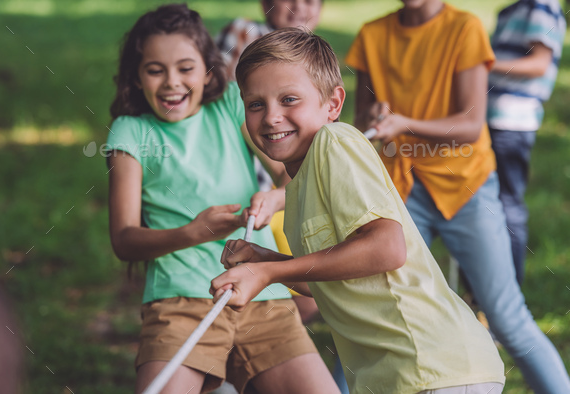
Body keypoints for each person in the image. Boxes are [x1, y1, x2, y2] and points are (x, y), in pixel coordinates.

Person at [211, 27, 506, 394]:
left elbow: (387, 248)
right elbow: (331, 281)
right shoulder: (300, 185)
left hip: (433, 366)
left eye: (289, 99)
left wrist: (270, 270)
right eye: (256, 104)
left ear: (333, 104)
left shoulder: (334, 142)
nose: (271, 117)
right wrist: (264, 261)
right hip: (397, 377)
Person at [106, 5, 337, 393]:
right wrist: (195, 231)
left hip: (260, 292)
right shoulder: (130, 131)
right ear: (137, 75)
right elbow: (124, 240)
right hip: (178, 301)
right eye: (155, 70)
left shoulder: (230, 104)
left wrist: (274, 200)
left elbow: (292, 177)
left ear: (207, 69)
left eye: (185, 68)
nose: (171, 83)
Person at [345, 0, 570, 392]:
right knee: (375, 314)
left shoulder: (464, 28)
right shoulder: (372, 34)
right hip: (401, 187)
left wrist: (405, 124)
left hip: (466, 186)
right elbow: (360, 119)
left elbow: (468, 124)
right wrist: (375, 118)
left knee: (506, 316)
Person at [487, 0, 566, 285]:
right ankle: (484, 295)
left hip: (511, 121)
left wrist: (480, 63)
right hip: (488, 119)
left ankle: (510, 293)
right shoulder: (512, 10)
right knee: (484, 204)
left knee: (507, 204)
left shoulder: (542, 6)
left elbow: (538, 64)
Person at [216, 0, 323, 80]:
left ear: (320, 9)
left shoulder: (318, 53)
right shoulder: (245, 31)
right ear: (266, 5)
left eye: (309, 1)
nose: (298, 6)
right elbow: (219, 79)